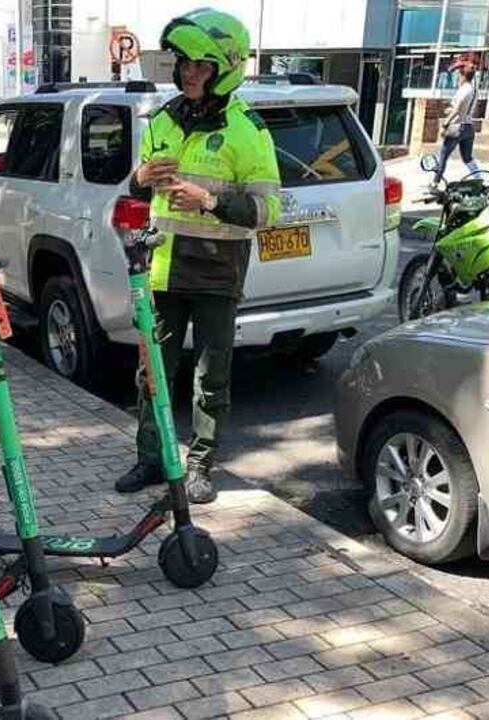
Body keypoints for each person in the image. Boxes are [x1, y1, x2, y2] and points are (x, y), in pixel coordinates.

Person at [116, 9, 282, 504]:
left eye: (202, 66)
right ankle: (151, 459)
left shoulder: (248, 131)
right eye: (185, 63)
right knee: (152, 373)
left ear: (225, 68)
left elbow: (269, 211)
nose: (189, 73)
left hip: (216, 271)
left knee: (211, 379)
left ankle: (201, 467)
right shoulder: (161, 121)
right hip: (161, 267)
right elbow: (136, 197)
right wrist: (139, 180)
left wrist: (210, 201)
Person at [435, 64, 481, 184]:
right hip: (469, 127)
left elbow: (457, 110)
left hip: (457, 127)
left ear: (462, 76)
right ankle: (479, 178)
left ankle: (435, 182)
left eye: (458, 76)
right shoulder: (474, 90)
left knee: (443, 155)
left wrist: (445, 124)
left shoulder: (464, 90)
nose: (457, 79)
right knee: (467, 157)